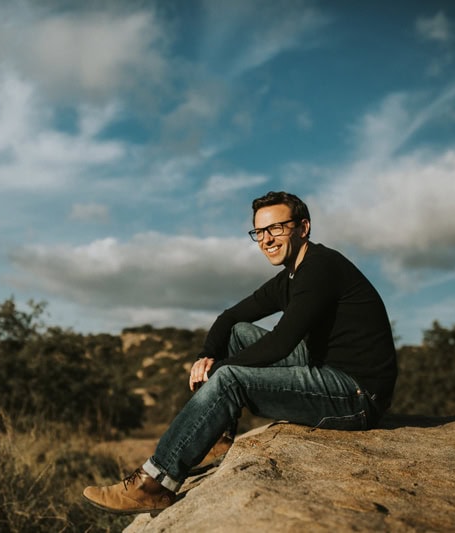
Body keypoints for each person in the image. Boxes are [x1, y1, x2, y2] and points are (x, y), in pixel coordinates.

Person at [83, 191, 398, 514]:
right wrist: (206, 356)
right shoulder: (290, 277)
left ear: (303, 227)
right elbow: (230, 318)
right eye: (259, 232)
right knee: (239, 334)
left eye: (276, 228)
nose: (266, 239)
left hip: (357, 393)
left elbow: (280, 343)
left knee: (230, 377)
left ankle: (154, 483)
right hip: (325, 367)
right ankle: (218, 436)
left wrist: (220, 368)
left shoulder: (320, 268)